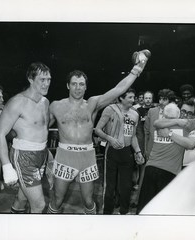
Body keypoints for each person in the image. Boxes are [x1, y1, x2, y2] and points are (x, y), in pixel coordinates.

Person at [47, 49, 150, 214]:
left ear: (86, 87)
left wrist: (137, 70)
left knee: (89, 201)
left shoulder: (92, 104)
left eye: (81, 84)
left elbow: (118, 89)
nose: (78, 88)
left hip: (87, 156)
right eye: (74, 83)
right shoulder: (56, 106)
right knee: (57, 200)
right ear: (68, 85)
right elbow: (39, 128)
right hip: (64, 156)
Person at [0, 62, 52, 213]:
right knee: (39, 205)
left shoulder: (45, 102)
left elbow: (41, 130)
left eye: (49, 79)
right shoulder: (17, 102)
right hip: (24, 157)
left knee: (23, 198)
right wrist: (6, 167)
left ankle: (14, 225)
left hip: (41, 155)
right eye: (42, 80)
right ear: (31, 79)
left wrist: (47, 154)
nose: (46, 84)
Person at [136, 99, 195, 213]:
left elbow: (191, 144)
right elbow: (156, 123)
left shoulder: (191, 125)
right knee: (148, 208)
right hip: (160, 169)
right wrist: (178, 122)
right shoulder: (169, 122)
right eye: (183, 111)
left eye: (190, 113)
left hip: (183, 169)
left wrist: (169, 134)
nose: (185, 115)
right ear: (178, 111)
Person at [95, 88, 145, 214]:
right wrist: (110, 139)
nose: (133, 100)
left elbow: (133, 136)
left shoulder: (135, 114)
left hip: (127, 152)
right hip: (112, 151)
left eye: (134, 97)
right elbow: (98, 129)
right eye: (130, 97)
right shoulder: (110, 110)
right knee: (110, 186)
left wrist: (138, 152)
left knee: (127, 186)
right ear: (121, 98)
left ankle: (124, 212)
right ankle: (107, 213)